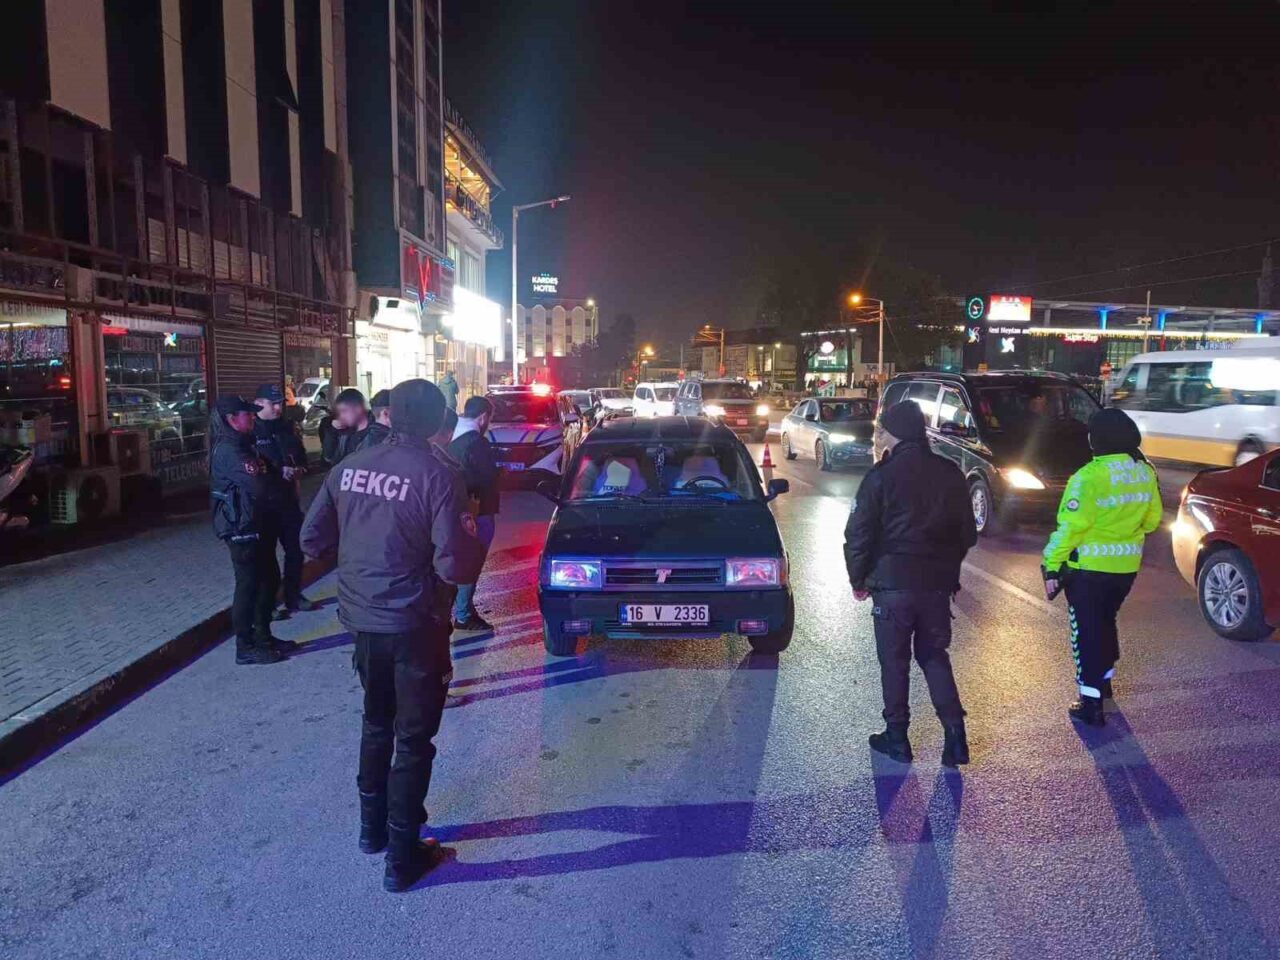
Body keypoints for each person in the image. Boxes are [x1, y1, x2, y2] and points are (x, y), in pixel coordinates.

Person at [300, 379, 485, 892]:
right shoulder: (440, 473)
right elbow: (455, 563)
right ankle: (403, 857)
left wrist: (362, 555)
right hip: (414, 624)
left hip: (361, 622)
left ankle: (371, 831)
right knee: (413, 737)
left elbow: (311, 539)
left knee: (375, 723)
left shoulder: (348, 467)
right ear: (433, 422)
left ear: (388, 416)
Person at [844, 399, 976, 766]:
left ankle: (897, 739)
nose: (879, 437)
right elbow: (966, 534)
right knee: (935, 656)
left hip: (892, 587)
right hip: (935, 587)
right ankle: (955, 737)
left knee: (894, 662)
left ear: (895, 433)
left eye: (882, 430)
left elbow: (858, 534)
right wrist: (949, 574)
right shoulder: (949, 473)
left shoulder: (881, 476)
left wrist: (859, 578)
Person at [1042, 408, 1161, 727]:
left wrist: (1051, 565)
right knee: (1106, 622)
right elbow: (1152, 521)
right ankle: (1105, 683)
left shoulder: (1088, 477)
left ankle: (1090, 701)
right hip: (1125, 569)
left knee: (1086, 632)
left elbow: (1070, 528)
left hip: (1089, 570)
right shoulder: (1144, 472)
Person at [209, 395, 289, 665]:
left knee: (269, 580)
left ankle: (264, 637)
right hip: (241, 527)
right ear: (232, 419)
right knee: (249, 586)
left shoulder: (245, 445)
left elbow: (268, 476)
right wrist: (272, 479)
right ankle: (245, 645)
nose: (253, 418)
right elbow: (260, 485)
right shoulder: (230, 451)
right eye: (247, 414)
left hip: (257, 523)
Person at [253, 384, 318, 618]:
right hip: (264, 504)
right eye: (274, 403)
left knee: (295, 550)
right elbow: (250, 470)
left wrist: (299, 469)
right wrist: (278, 472)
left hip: (288, 500)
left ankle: (293, 595)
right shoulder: (251, 431)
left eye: (281, 402)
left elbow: (301, 457)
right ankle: (268, 604)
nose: (279, 407)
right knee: (266, 557)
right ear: (259, 403)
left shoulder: (287, 428)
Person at [449, 396, 500, 631]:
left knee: (457, 560)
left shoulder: (451, 436)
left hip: (454, 511)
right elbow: (486, 478)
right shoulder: (477, 443)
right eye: (489, 418)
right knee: (472, 561)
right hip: (477, 512)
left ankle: (457, 610)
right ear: (482, 417)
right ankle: (463, 613)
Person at [322, 388, 371, 464]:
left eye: (344, 411)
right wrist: (332, 432)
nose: (341, 416)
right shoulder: (344, 432)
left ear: (358, 408)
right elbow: (328, 457)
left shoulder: (375, 432)